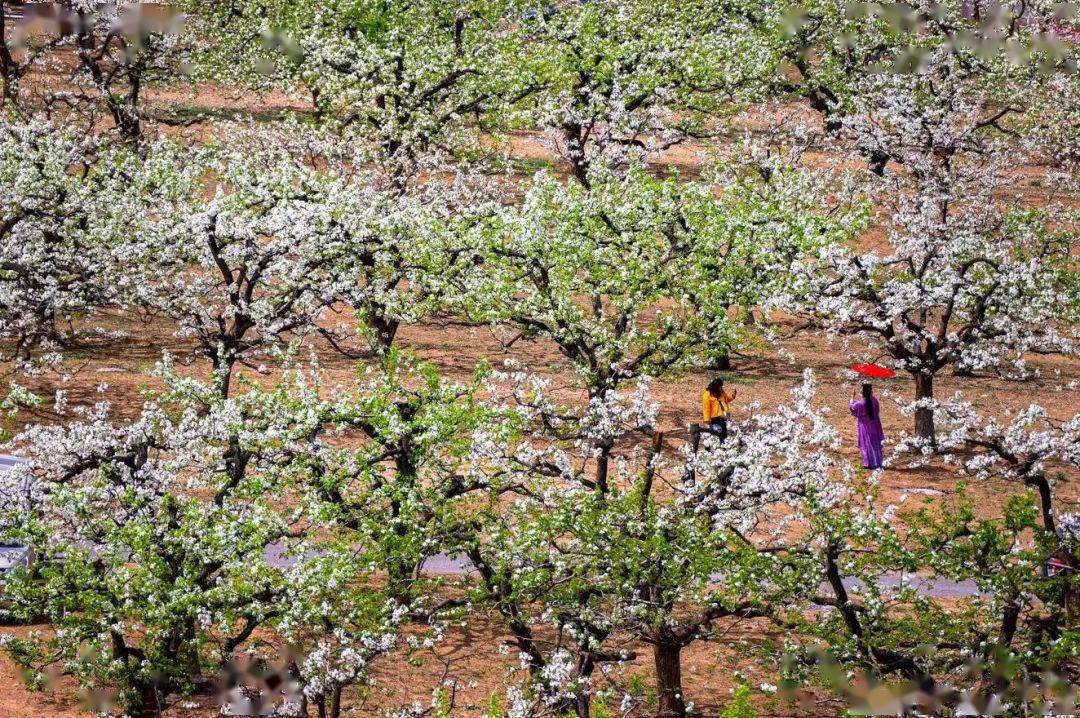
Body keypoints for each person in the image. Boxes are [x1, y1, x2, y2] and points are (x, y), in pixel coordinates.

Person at [850, 383, 885, 469]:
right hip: (875, 425)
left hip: (865, 426)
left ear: (862, 393)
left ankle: (869, 463)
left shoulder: (861, 403)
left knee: (866, 444)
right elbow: (877, 410)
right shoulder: (875, 400)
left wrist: (852, 397)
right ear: (871, 392)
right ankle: (878, 463)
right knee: (875, 443)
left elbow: (853, 408)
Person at [700, 377, 737, 444]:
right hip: (714, 418)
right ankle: (718, 447)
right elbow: (706, 409)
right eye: (719, 387)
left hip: (724, 418)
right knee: (718, 433)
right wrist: (707, 422)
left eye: (721, 387)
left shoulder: (721, 392)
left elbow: (727, 399)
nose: (721, 388)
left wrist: (733, 396)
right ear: (715, 387)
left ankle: (723, 447)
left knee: (724, 434)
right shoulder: (707, 395)